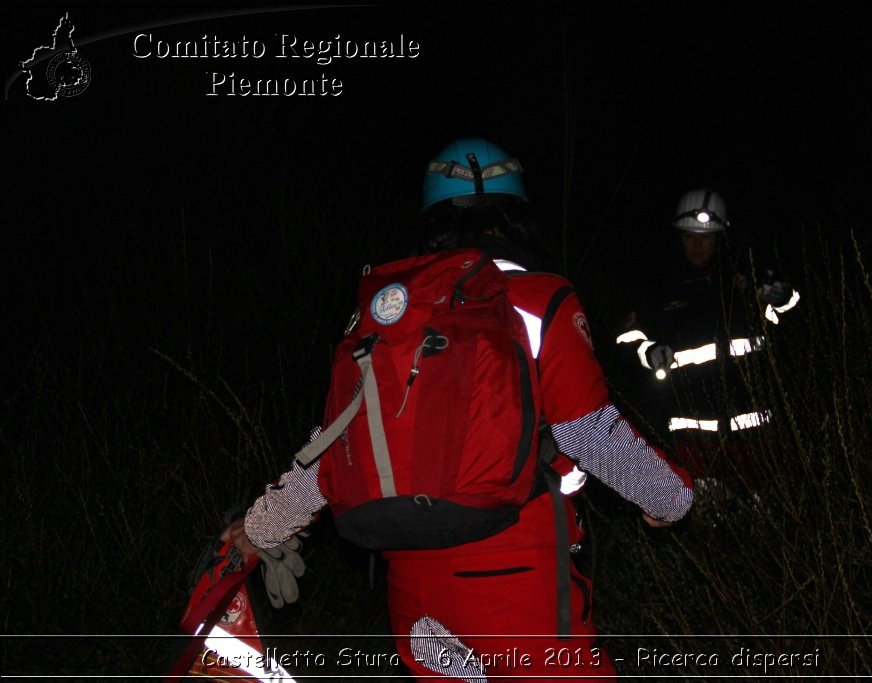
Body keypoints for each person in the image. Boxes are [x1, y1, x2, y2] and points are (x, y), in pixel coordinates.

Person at [222, 138, 694, 680]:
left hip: (413, 586)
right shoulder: (541, 297)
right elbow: (589, 433)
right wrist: (670, 495)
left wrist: (263, 525)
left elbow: (335, 444)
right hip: (515, 577)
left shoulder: (386, 317)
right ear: (517, 213)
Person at [615, 188, 799, 488]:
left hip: (755, 437)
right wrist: (648, 351)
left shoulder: (744, 278)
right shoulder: (661, 287)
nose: (697, 245)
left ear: (720, 238)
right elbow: (626, 338)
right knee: (703, 521)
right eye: (689, 236)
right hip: (691, 436)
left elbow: (795, 314)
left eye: (706, 237)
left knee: (761, 514)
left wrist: (782, 297)